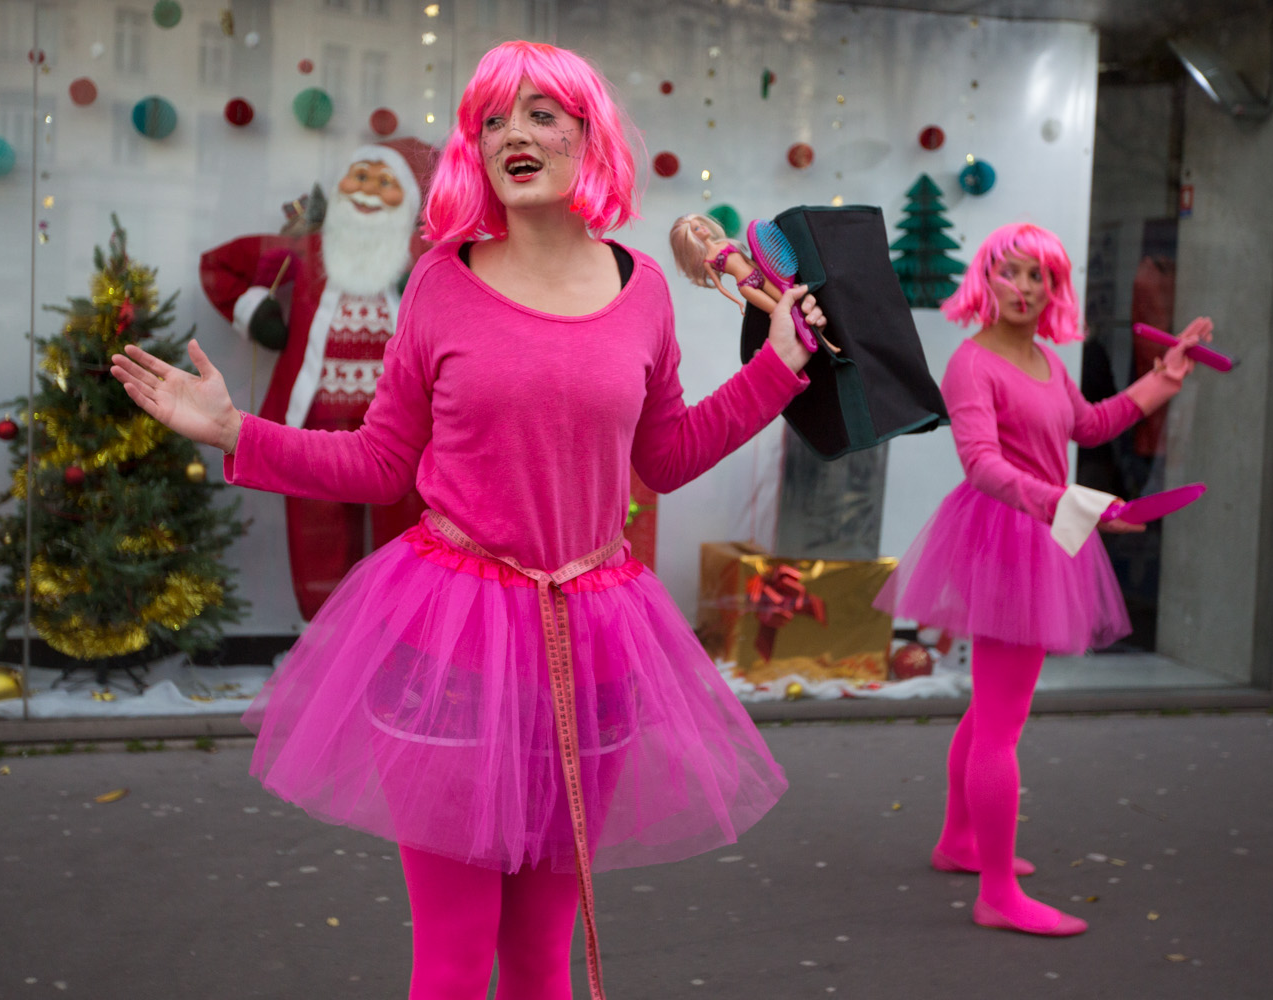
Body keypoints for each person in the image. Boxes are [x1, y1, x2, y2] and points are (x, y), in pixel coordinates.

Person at [112, 40, 827, 1000]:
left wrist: (777, 370)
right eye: (492, 120)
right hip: (451, 643)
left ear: (589, 137)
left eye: (540, 114)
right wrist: (237, 432)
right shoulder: (441, 284)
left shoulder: (645, 291)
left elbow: (664, 456)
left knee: (540, 963)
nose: (511, 135)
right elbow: (379, 462)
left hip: (592, 642)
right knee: (452, 964)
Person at [873, 222, 1210, 937]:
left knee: (990, 712)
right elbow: (982, 466)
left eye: (1040, 276)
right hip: (1004, 544)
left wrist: (1166, 375)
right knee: (1001, 724)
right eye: (1012, 271)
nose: (1024, 288)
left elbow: (1090, 425)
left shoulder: (1047, 361)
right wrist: (1078, 506)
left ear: (1055, 289)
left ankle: (958, 842)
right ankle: (996, 894)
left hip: (1042, 535)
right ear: (985, 279)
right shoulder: (972, 364)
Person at [198, 137, 440, 619]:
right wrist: (257, 314)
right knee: (319, 534)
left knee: (409, 533)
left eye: (385, 182)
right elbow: (219, 265)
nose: (368, 189)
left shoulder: (424, 259)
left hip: (404, 428)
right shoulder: (308, 250)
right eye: (360, 176)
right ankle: (324, 633)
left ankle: (403, 631)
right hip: (317, 422)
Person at [670, 211, 840, 352]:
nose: (703, 228)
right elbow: (720, 287)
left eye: (701, 224)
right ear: (691, 239)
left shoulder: (725, 243)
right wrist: (738, 302)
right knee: (781, 313)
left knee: (793, 304)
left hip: (759, 275)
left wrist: (770, 272)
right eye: (697, 228)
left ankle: (823, 340)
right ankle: (816, 343)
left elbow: (749, 261)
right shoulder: (708, 261)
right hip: (746, 286)